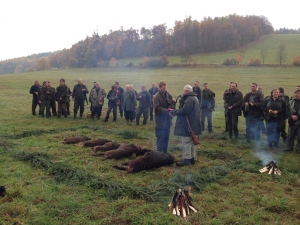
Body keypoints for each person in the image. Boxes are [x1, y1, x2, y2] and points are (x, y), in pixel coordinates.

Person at [171, 85, 200, 166]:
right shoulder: (195, 97)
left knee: (186, 142)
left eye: (184, 90)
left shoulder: (190, 99)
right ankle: (192, 159)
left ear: (186, 91)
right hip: (193, 123)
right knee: (191, 142)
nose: (183, 92)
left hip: (188, 124)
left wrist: (174, 112)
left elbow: (184, 111)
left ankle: (187, 160)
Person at [153, 81, 175, 153]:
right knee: (160, 138)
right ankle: (159, 153)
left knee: (166, 137)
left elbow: (171, 103)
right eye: (163, 88)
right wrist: (167, 111)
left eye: (165, 88)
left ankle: (165, 152)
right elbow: (156, 108)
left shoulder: (167, 94)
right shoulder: (156, 96)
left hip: (167, 120)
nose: (164, 89)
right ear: (159, 88)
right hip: (160, 121)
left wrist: (173, 101)